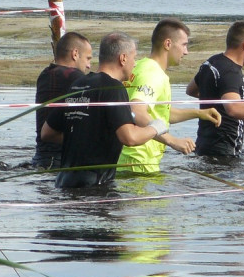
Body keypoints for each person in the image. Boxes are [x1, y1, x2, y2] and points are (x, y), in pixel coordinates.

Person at [42, 32, 173, 188]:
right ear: (123, 58)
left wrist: (84, 137)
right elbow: (130, 138)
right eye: (134, 57)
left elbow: (47, 133)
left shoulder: (78, 84)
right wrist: (155, 128)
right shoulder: (113, 88)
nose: (135, 63)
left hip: (63, 181)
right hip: (93, 185)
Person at [118, 19, 222, 175]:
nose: (186, 52)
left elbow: (159, 113)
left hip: (123, 159)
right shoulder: (154, 75)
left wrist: (199, 113)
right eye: (184, 45)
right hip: (139, 162)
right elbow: (136, 110)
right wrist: (173, 141)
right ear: (168, 44)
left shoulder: (139, 66)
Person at [186, 20, 244, 162]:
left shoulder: (212, 62)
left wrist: (217, 99)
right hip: (224, 152)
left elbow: (191, 90)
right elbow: (233, 108)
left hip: (203, 146)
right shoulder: (230, 72)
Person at [33, 31, 92, 169]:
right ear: (75, 54)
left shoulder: (45, 74)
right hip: (61, 158)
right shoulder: (75, 78)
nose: (89, 65)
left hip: (41, 156)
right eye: (88, 58)